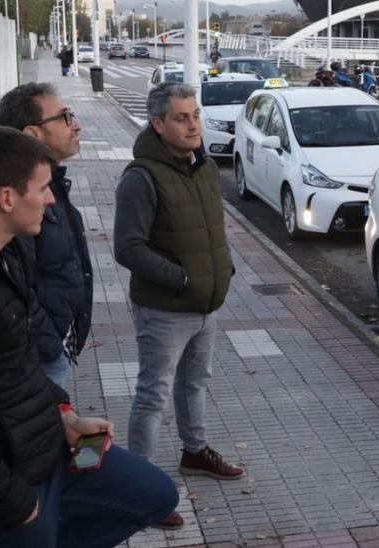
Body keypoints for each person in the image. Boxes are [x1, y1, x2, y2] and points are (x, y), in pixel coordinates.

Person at [0, 126, 184, 546]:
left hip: (39, 452)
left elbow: (15, 367)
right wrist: (16, 504)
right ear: (7, 198)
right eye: (42, 188)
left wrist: (66, 418)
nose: (51, 198)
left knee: (155, 494)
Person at [113, 82, 245, 480]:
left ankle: (194, 452)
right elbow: (128, 248)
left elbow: (211, 230)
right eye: (181, 118)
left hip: (205, 304)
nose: (193, 126)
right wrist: (183, 278)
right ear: (157, 123)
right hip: (165, 307)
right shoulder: (141, 177)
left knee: (194, 384)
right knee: (153, 394)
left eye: (196, 115)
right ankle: (141, 483)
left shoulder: (202, 165)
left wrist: (223, 269)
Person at [0, 82, 92, 390]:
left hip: (53, 347)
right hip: (41, 357)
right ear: (32, 134)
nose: (76, 125)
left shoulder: (50, 184)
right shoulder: (17, 196)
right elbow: (14, 287)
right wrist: (51, 343)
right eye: (64, 117)